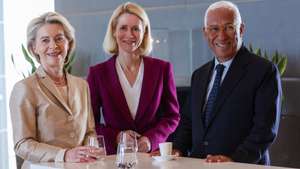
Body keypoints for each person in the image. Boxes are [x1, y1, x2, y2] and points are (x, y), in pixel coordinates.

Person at [173, 0, 282, 165]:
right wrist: (177, 148)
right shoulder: (199, 75)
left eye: (229, 27)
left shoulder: (263, 71)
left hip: (242, 166)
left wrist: (234, 161)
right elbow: (189, 122)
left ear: (241, 29)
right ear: (205, 32)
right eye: (214, 29)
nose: (222, 35)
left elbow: (265, 129)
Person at [9, 12, 103, 169]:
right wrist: (64, 155)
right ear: (34, 48)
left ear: (68, 44)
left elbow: (89, 132)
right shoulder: (24, 88)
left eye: (59, 38)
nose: (53, 46)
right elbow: (22, 144)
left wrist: (89, 151)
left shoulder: (82, 85)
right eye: (45, 40)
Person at [87, 2, 180, 155]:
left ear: (144, 33)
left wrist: (150, 139)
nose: (130, 35)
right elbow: (90, 124)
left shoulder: (162, 69)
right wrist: (117, 137)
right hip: (115, 158)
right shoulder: (98, 73)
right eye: (123, 28)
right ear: (114, 32)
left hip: (152, 157)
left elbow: (172, 116)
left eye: (136, 29)